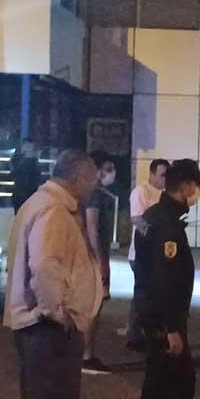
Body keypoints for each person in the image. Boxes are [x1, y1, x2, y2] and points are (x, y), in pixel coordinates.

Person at [4, 149, 103, 399]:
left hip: (38, 326)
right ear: (78, 177)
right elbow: (45, 266)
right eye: (92, 180)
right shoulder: (54, 212)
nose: (93, 188)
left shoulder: (38, 204)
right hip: (48, 329)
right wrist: (56, 312)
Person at [131, 159, 200, 399]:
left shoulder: (157, 216)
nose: (197, 194)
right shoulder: (166, 224)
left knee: (182, 377)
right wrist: (171, 328)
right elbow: (163, 280)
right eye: (196, 187)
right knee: (160, 382)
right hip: (162, 317)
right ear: (186, 186)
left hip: (159, 312)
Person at [124, 158, 169, 347]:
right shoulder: (141, 192)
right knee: (142, 293)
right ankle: (134, 334)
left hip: (156, 253)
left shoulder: (164, 194)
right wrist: (156, 233)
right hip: (140, 253)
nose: (165, 179)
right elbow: (137, 220)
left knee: (150, 293)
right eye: (162, 175)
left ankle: (143, 331)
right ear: (152, 174)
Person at [82, 151, 118, 374]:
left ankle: (84, 354)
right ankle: (86, 357)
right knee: (93, 307)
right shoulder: (94, 195)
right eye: (107, 169)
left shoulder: (86, 192)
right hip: (92, 259)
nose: (111, 173)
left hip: (88, 256)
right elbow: (93, 228)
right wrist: (101, 261)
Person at [10, 139, 43, 214]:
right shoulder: (17, 159)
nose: (29, 149)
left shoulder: (33, 161)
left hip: (27, 193)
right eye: (27, 146)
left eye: (30, 146)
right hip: (21, 193)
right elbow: (15, 173)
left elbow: (37, 176)